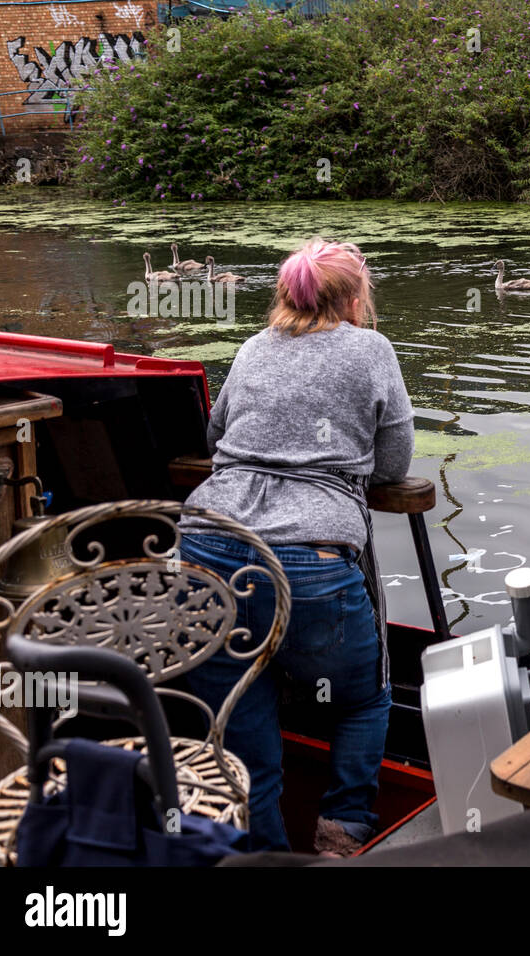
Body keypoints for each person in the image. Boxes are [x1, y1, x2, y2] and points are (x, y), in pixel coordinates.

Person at [178, 238, 413, 855]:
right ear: (356, 297)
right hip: (311, 557)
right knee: (361, 698)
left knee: (239, 712)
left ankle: (267, 855)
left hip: (208, 542)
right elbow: (393, 462)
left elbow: (217, 432)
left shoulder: (255, 348)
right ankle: (340, 835)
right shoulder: (371, 350)